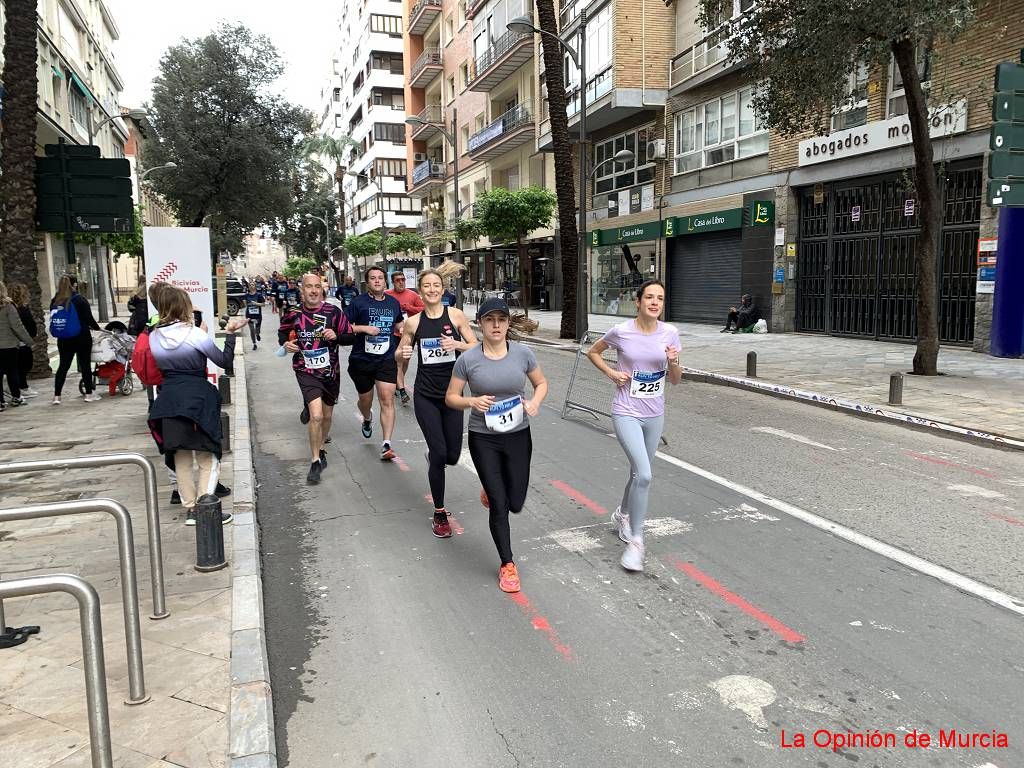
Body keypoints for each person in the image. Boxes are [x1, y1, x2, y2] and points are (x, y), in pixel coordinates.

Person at [446, 298, 548, 593]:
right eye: (489, 320)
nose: (496, 325)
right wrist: (471, 401)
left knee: (515, 502)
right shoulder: (469, 360)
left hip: (518, 434)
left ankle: (493, 490)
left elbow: (541, 383)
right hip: (483, 437)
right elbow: (451, 397)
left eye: (501, 320)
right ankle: (507, 564)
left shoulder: (522, 354)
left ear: (507, 323)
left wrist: (535, 402)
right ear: (480, 323)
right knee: (500, 505)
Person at [586, 280, 681, 572]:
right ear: (638, 301)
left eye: (660, 298)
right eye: (649, 297)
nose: (655, 302)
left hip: (655, 413)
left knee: (637, 473)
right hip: (626, 410)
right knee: (645, 475)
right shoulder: (621, 331)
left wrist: (673, 361)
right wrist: (613, 373)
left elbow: (675, 379)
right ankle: (637, 541)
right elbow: (593, 352)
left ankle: (623, 514)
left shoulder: (670, 333)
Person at [148, 287, 246, 524]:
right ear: (183, 307)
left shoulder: (154, 336)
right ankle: (205, 507)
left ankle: (191, 509)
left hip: (169, 399)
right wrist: (229, 333)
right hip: (198, 399)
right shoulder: (195, 334)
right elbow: (223, 361)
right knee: (208, 455)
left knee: (180, 456)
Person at [396, 269, 478, 537]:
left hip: (453, 395)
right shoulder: (413, 323)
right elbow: (402, 353)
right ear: (420, 291)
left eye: (436, 285)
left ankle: (435, 456)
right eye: (427, 286)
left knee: (451, 456)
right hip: (426, 395)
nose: (432, 289)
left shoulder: (455, 315)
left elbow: (476, 346)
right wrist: (401, 355)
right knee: (440, 452)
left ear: (443, 290)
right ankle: (440, 513)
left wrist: (456, 344)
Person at [279, 274, 356, 484]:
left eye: (317, 287)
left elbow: (350, 336)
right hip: (305, 369)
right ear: (301, 290)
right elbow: (283, 334)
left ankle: (321, 448)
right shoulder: (293, 313)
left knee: (327, 416)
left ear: (321, 290)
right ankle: (314, 461)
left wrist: (337, 336)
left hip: (331, 372)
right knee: (317, 416)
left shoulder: (333, 312)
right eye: (308, 287)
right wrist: (287, 344)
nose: (313, 291)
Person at [346, 265, 404, 460]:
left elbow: (398, 322)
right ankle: (367, 417)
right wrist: (364, 328)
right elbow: (344, 327)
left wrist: (404, 329)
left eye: (380, 277)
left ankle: (387, 443)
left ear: (385, 281)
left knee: (387, 399)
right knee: (365, 401)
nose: (377, 281)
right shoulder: (357, 303)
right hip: (362, 359)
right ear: (367, 283)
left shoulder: (393, 303)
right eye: (373, 278)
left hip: (386, 359)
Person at [50, 275, 101, 404]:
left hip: (64, 338)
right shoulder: (80, 299)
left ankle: (57, 396)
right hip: (81, 336)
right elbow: (89, 318)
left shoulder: (55, 300)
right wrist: (97, 328)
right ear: (74, 285)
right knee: (85, 365)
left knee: (63, 366)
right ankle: (89, 394)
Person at [385, 271, 424, 406]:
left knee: (405, 361)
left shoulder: (412, 295)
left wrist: (410, 307)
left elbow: (424, 309)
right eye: (398, 280)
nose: (401, 282)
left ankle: (397, 382)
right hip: (393, 334)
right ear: (393, 282)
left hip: (409, 334)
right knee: (398, 362)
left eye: (403, 279)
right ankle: (402, 390)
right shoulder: (387, 295)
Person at [0, 281, 33, 411]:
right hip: (9, 345)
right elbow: (17, 326)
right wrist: (28, 341)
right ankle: (16, 397)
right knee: (12, 371)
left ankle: (0, 402)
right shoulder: (8, 306)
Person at [9, 283, 39, 398]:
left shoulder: (14, 308)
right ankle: (22, 387)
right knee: (24, 364)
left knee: (22, 365)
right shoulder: (20, 309)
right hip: (21, 342)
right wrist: (30, 339)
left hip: (19, 341)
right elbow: (26, 326)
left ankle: (22, 386)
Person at [243, 281, 265, 350]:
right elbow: (245, 304)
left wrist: (256, 304)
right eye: (250, 285)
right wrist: (245, 303)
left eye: (253, 285)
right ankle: (254, 343)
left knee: (257, 330)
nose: (251, 286)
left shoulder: (259, 295)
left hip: (257, 316)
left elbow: (263, 304)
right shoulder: (246, 295)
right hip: (249, 315)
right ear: (248, 287)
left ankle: (257, 334)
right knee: (252, 330)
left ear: (255, 286)